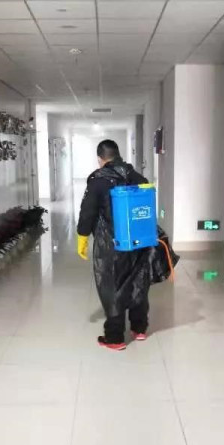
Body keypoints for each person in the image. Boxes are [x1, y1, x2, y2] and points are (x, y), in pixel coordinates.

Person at [76, 139, 152, 351]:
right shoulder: (136, 176)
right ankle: (139, 328)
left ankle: (115, 337)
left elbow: (88, 211)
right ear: (118, 155)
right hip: (138, 240)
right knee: (138, 282)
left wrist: (82, 237)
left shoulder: (98, 181)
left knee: (112, 286)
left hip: (112, 244)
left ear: (100, 159)